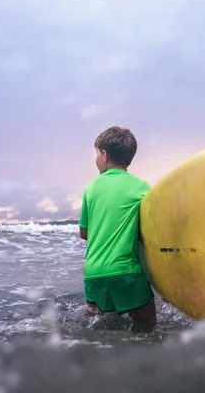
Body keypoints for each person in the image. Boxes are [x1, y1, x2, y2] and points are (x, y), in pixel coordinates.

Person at [78, 126, 157, 332]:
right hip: (126, 273)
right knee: (147, 325)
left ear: (105, 155)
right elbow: (153, 231)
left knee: (96, 328)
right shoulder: (141, 187)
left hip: (93, 274)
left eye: (97, 153)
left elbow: (84, 233)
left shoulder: (91, 188)